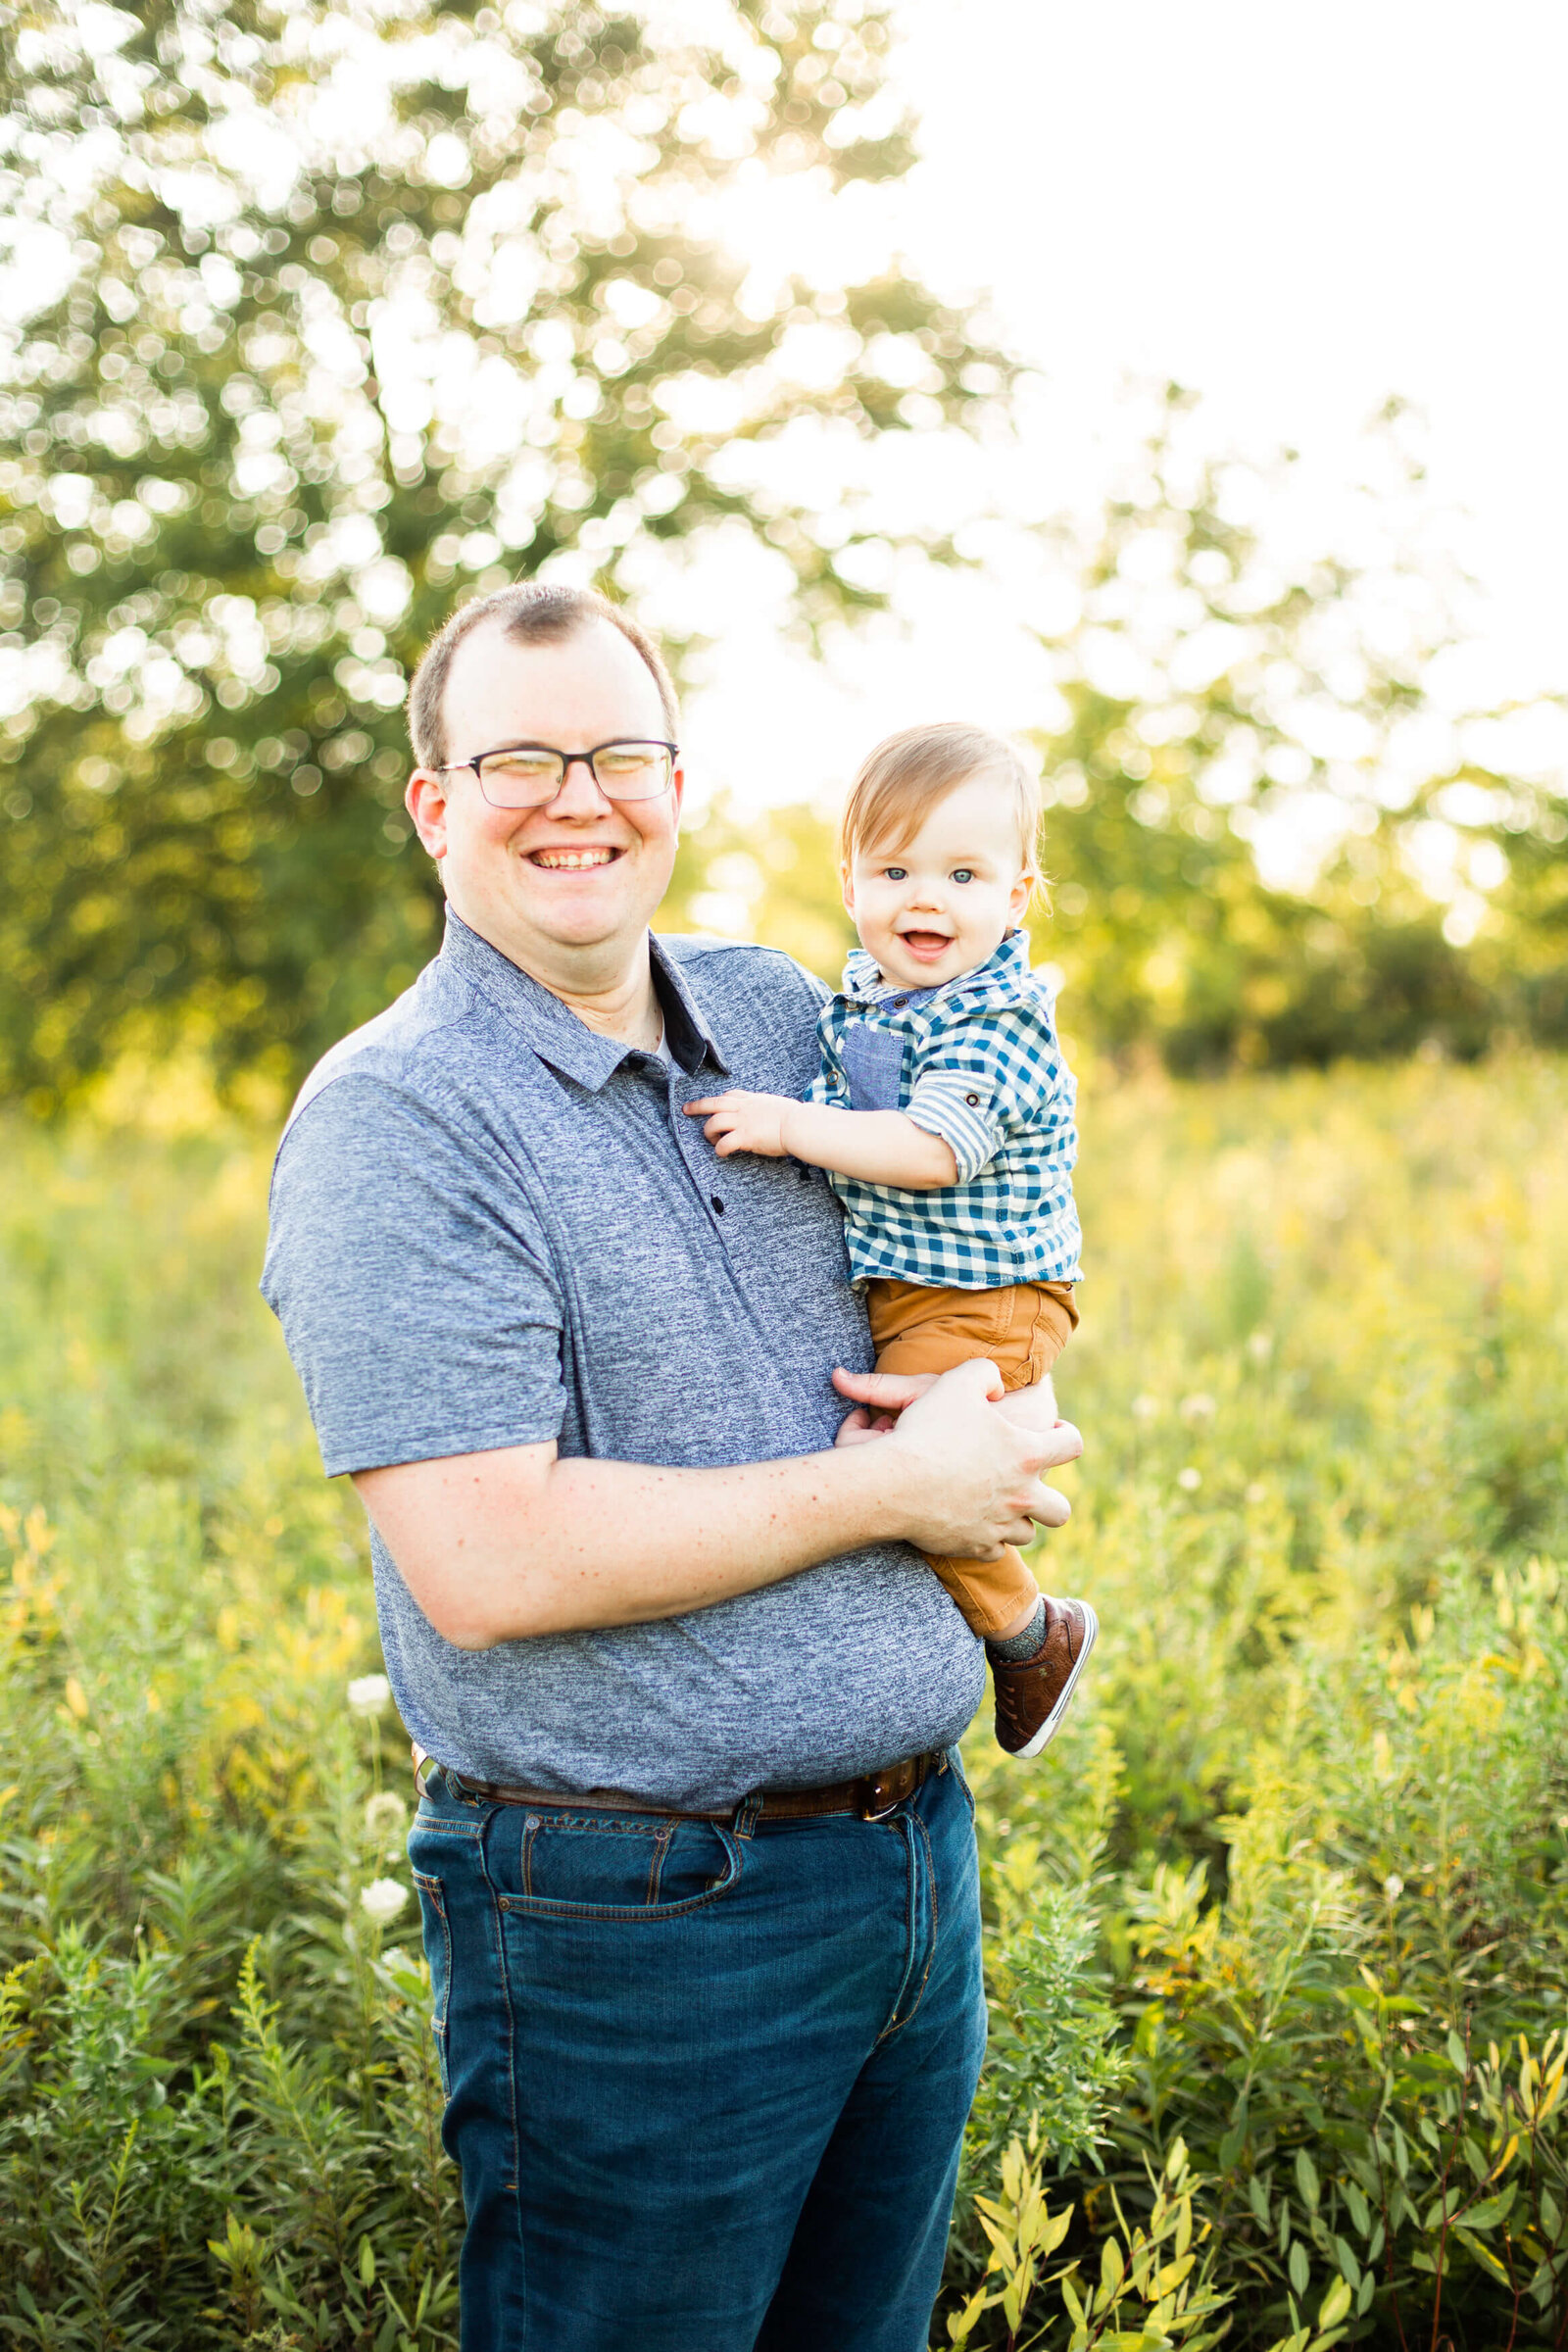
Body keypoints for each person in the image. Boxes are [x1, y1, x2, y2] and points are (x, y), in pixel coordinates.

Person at [261, 581, 1084, 2352]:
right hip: (637, 1932)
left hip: (910, 1874)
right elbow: (488, 1562)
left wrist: (994, 1405)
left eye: (619, 751)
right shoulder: (399, 1120)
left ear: (681, 782)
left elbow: (980, 1165)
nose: (580, 796)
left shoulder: (786, 1017)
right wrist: (897, 1494)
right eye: (518, 758)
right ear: (434, 806)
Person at [685, 720, 1096, 1759]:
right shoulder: (872, 1002)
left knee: (905, 1470)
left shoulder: (994, 1023)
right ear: (850, 881)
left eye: (963, 873)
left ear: (1015, 898)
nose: (925, 896)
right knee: (887, 1457)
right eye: (895, 866)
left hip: (987, 1295)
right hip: (924, 1293)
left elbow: (930, 1149)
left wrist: (782, 1126)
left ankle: (1028, 1633)